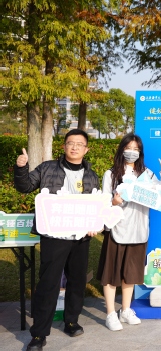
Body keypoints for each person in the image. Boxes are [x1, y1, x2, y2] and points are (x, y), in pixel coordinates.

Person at [14, 129, 101, 351]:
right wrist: (21, 168)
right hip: (54, 236)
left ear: (86, 149)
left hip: (80, 238)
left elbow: (96, 207)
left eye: (79, 144)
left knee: (77, 281)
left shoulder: (92, 175)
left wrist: (95, 225)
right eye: (71, 143)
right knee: (48, 283)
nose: (75, 147)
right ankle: (39, 334)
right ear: (64, 146)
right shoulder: (47, 168)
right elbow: (24, 186)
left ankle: (71, 321)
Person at [97, 133, 161, 331]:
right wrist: (113, 202)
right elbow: (104, 201)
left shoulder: (147, 174)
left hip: (139, 229)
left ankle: (126, 309)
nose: (132, 152)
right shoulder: (111, 174)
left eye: (136, 149)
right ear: (122, 149)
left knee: (130, 273)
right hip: (117, 228)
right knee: (111, 273)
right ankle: (110, 313)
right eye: (128, 148)